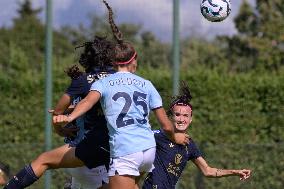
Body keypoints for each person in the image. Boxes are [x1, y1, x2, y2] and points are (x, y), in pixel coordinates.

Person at [53, 1, 189, 189]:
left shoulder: (104, 82)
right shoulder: (146, 84)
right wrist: (175, 137)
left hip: (126, 150)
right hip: (148, 151)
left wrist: (68, 116)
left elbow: (86, 103)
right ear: (134, 60)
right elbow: (166, 125)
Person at [3, 36, 115, 189]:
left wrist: (61, 130)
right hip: (119, 149)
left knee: (43, 160)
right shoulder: (121, 79)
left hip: (89, 154)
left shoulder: (83, 80)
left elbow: (57, 113)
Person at [142, 82, 252, 189]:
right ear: (171, 117)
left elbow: (208, 171)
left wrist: (235, 172)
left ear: (190, 119)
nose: (181, 119)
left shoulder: (189, 144)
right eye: (177, 115)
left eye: (185, 116)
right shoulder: (159, 136)